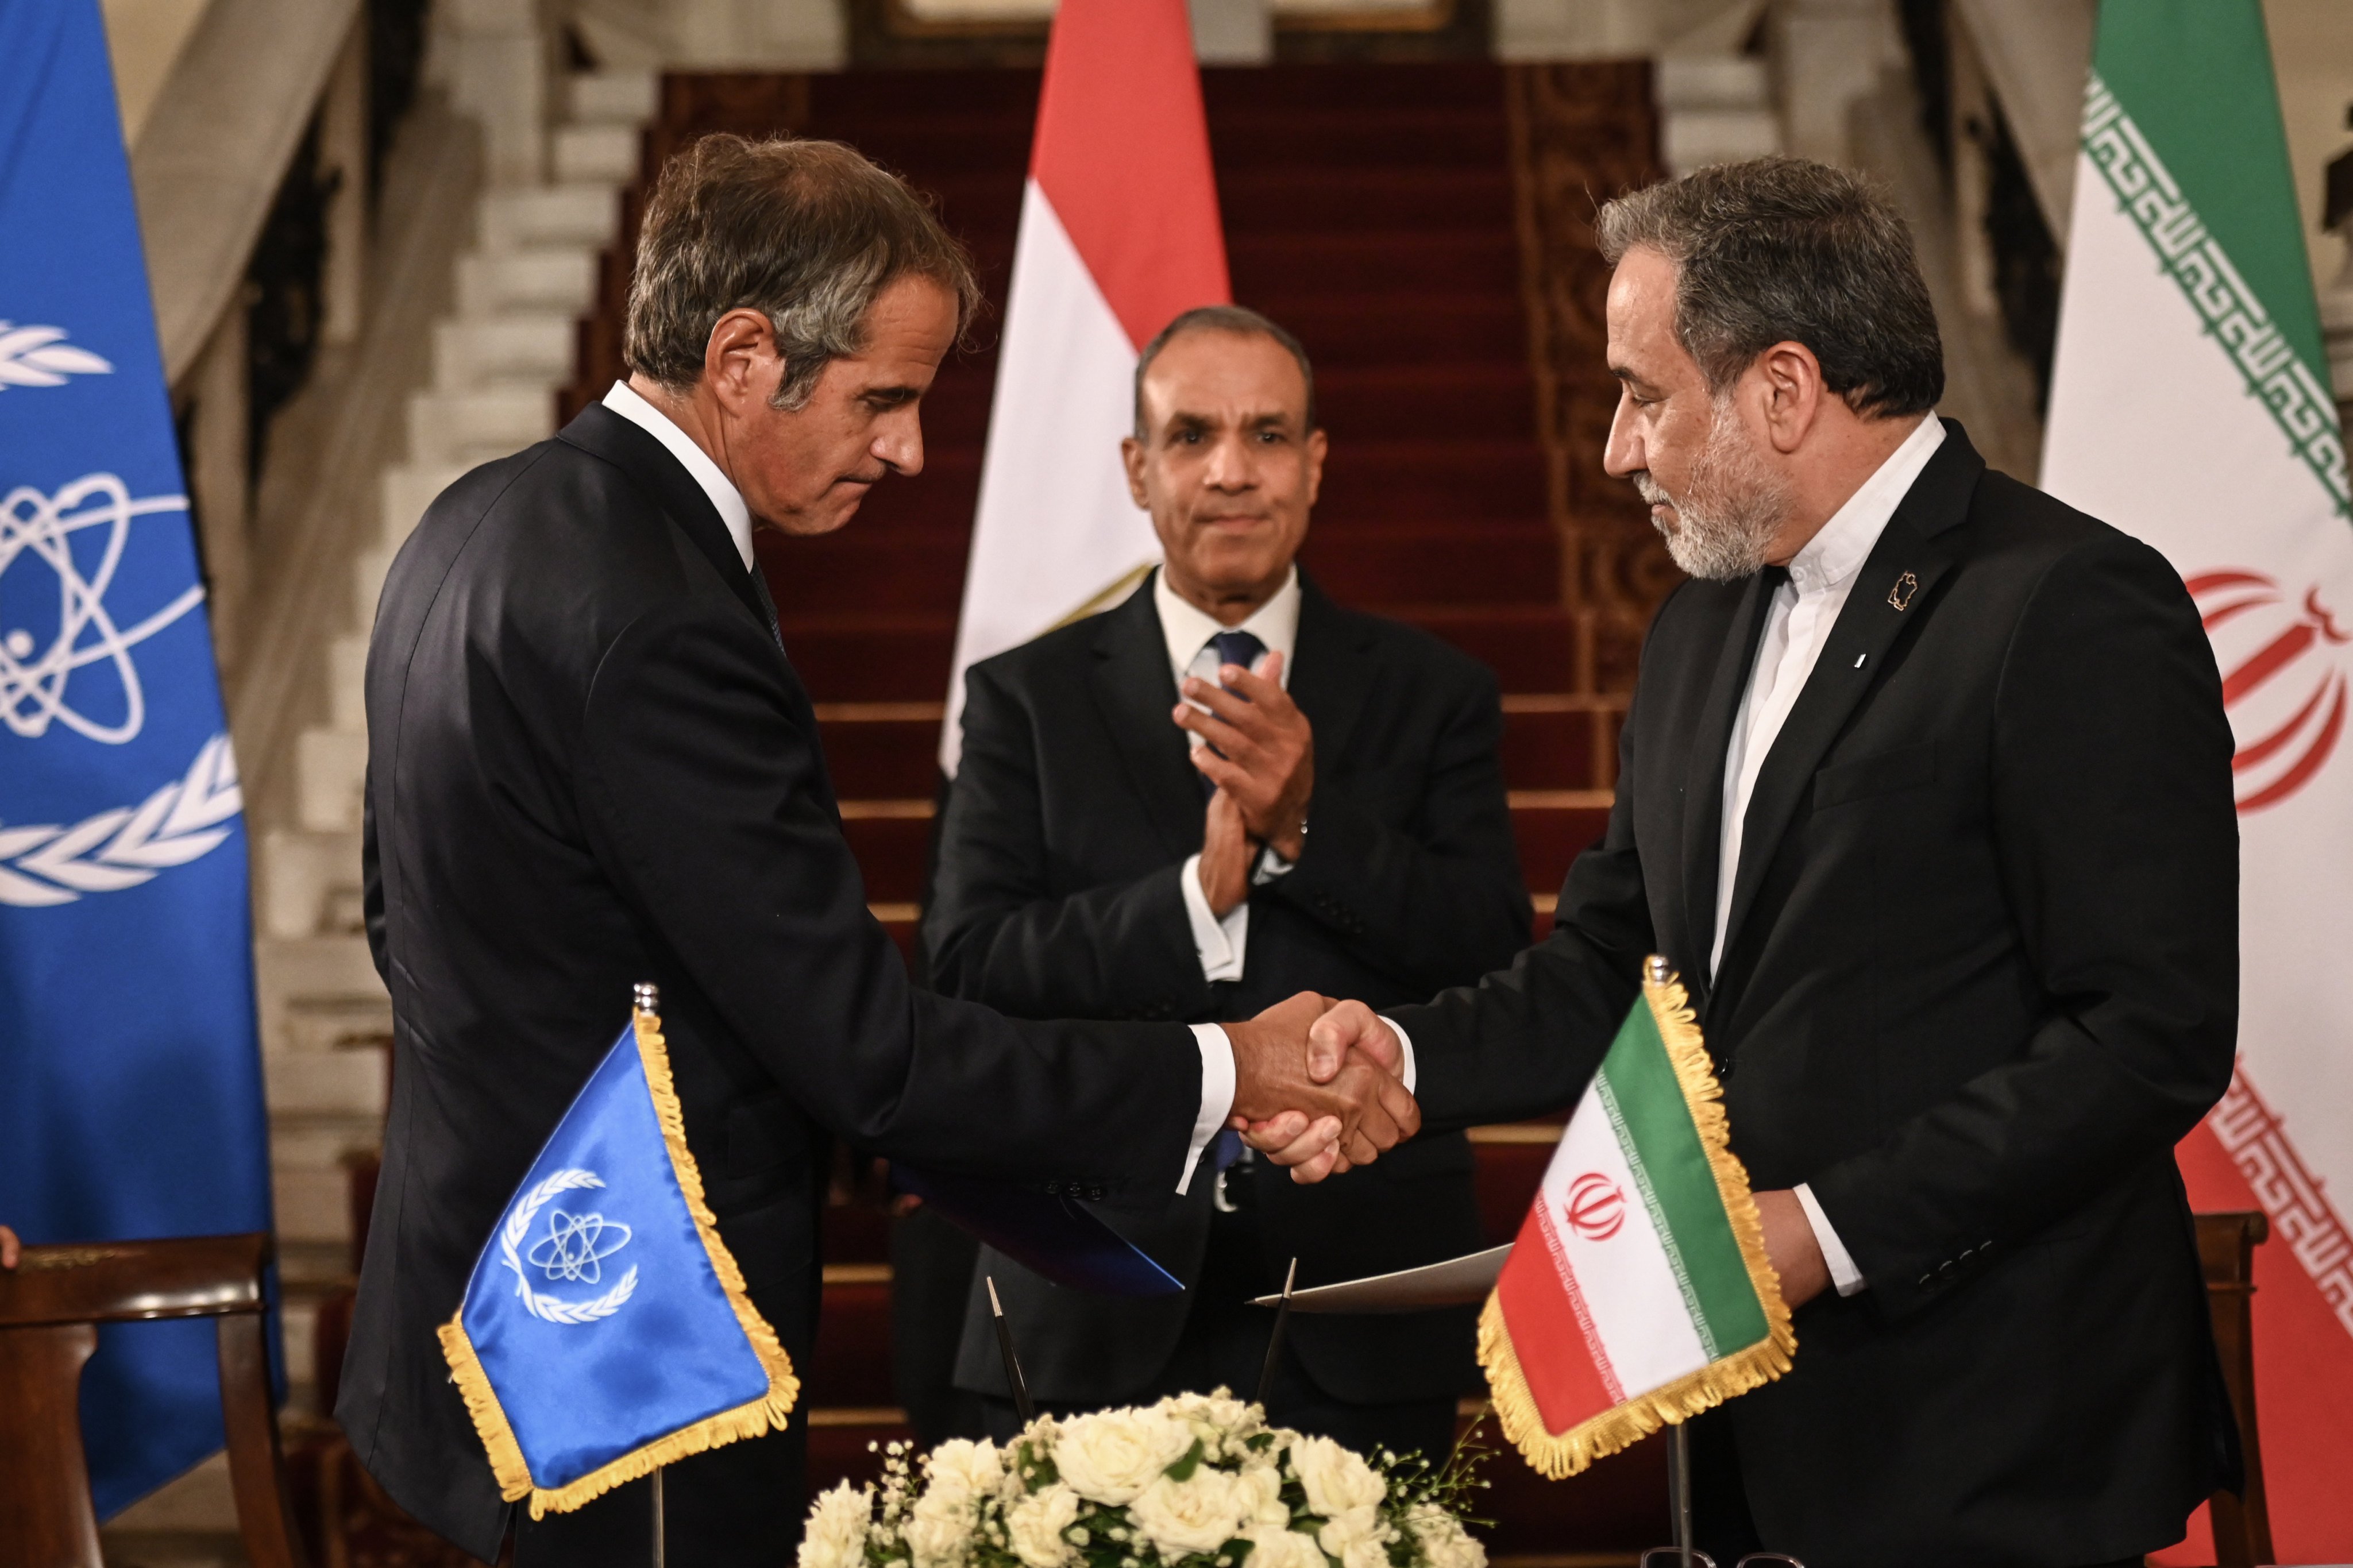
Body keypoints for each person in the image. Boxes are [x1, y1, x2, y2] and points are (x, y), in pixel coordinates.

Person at [346, 134, 1413, 1567]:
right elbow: (870, 1052)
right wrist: (1230, 1066)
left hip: (482, 1300)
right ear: (740, 357)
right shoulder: (659, 612)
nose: (908, 449)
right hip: (629, 1352)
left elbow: (397, 923)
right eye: (883, 399)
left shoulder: (475, 522)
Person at [1276, 158, 2242, 1568]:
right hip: (1747, 1439)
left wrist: (1831, 1228)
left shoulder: (2067, 606)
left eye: (1642, 393)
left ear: (1780, 390)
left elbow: (2145, 1036)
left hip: (1994, 1434)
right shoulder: (1697, 629)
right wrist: (1398, 1062)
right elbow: (1618, 969)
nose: (1613, 449)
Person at [924, 306, 1531, 1462]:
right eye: (1191, 434)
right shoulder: (1022, 699)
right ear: (1135, 468)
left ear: (1313, 462)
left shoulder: (1434, 691)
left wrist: (1304, 828)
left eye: (1266, 434)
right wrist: (1192, 906)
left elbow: (1490, 955)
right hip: (1085, 1293)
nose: (1229, 470)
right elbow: (965, 971)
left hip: (1358, 1304)